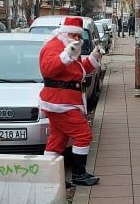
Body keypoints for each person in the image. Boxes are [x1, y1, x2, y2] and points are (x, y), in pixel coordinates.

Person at [39, 15, 102, 186]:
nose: (78, 39)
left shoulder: (67, 46)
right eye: (75, 35)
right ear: (65, 33)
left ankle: (50, 176)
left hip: (63, 102)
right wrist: (66, 55)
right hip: (61, 103)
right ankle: (78, 174)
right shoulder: (55, 47)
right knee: (83, 135)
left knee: (57, 139)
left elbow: (78, 71)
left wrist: (93, 58)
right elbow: (48, 69)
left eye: (80, 36)